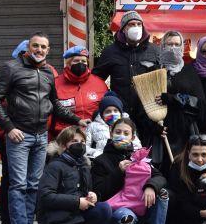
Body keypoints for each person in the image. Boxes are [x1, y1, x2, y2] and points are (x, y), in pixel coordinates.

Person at [0, 32, 89, 224]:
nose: (39, 50)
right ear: (28, 48)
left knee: (34, 186)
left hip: (41, 136)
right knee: (18, 185)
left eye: (43, 47)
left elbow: (55, 104)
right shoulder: (10, 68)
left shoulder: (48, 72)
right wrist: (9, 128)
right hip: (19, 135)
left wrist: (77, 120)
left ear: (48, 50)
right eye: (35, 46)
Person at [91, 118, 170, 224]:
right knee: (126, 219)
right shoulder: (100, 161)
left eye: (126, 133)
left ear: (133, 137)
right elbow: (100, 192)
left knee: (162, 193)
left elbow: (160, 177)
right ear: (111, 133)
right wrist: (118, 172)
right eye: (118, 132)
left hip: (142, 206)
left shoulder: (139, 157)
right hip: (118, 210)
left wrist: (151, 186)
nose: (121, 135)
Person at [36, 126, 112, 224]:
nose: (80, 145)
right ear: (63, 145)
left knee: (104, 209)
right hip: (56, 219)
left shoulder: (84, 165)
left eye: (82, 142)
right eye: (74, 141)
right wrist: (77, 202)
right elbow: (45, 197)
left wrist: (93, 196)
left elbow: (87, 191)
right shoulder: (54, 166)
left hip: (76, 214)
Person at [93, 11, 161, 148]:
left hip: (148, 113)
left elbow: (163, 79)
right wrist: (108, 100)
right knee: (122, 148)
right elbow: (96, 80)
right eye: (131, 24)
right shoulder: (110, 52)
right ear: (123, 29)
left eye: (138, 24)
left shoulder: (154, 50)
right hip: (121, 113)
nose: (136, 27)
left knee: (146, 150)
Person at [155, 31, 206, 176]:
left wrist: (175, 99)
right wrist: (153, 126)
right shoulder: (154, 72)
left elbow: (200, 103)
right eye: (169, 44)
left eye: (177, 44)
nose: (173, 48)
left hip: (185, 132)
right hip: (162, 132)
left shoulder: (189, 71)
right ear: (162, 46)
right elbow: (143, 105)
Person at [50, 45, 108, 140]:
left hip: (93, 136)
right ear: (68, 63)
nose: (80, 64)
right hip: (64, 137)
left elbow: (106, 109)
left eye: (83, 61)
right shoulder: (56, 83)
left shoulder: (99, 83)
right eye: (76, 61)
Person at [86, 91, 142, 159]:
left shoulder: (128, 125)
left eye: (115, 111)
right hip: (102, 161)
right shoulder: (93, 126)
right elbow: (84, 146)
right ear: (102, 114)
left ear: (120, 112)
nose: (112, 114)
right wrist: (96, 153)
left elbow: (137, 146)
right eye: (108, 111)